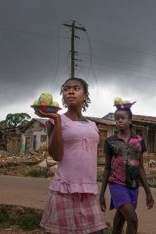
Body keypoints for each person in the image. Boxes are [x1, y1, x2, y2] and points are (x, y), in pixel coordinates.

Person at [37, 78, 107, 234]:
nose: (70, 91)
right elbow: (56, 155)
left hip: (88, 189)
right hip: (65, 189)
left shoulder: (93, 125)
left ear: (85, 96)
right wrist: (56, 120)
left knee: (98, 231)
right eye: (66, 89)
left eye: (76, 88)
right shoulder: (55, 121)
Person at [99, 107, 154, 234]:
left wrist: (148, 192)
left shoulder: (139, 140)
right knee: (133, 219)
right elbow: (107, 168)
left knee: (120, 221)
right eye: (117, 118)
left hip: (133, 185)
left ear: (130, 121)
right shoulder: (110, 141)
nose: (119, 121)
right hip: (117, 184)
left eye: (123, 118)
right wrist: (102, 194)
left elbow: (140, 167)